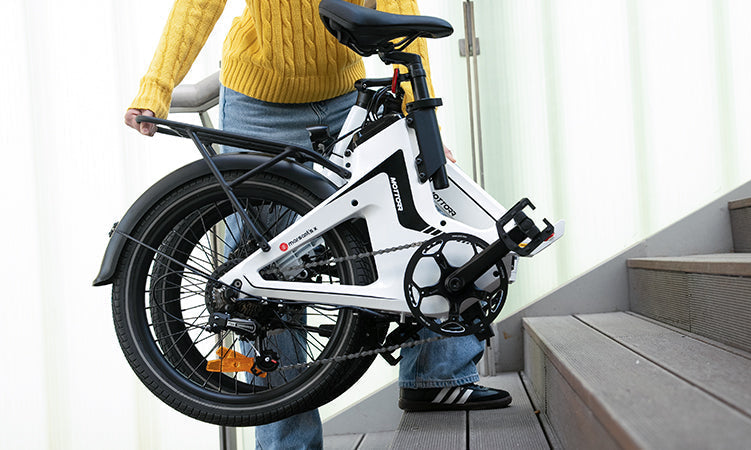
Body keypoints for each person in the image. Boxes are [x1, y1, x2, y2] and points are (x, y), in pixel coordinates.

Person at [123, 1, 510, 448]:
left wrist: (423, 124)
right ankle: (287, 441)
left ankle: (436, 376)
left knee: (411, 223)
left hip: (345, 97)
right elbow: (197, 6)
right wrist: (157, 86)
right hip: (258, 105)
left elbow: (398, 7)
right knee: (268, 274)